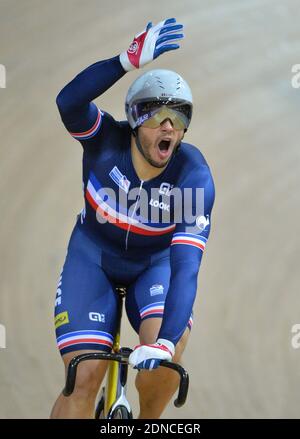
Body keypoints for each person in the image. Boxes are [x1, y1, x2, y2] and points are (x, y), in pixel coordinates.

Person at [51, 18, 215, 419]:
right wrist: (123, 62)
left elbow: (187, 268)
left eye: (179, 118)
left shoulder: (194, 177)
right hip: (93, 257)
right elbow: (67, 103)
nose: (169, 128)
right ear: (135, 118)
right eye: (158, 115)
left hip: (154, 267)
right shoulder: (104, 140)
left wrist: (165, 342)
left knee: (164, 365)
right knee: (84, 376)